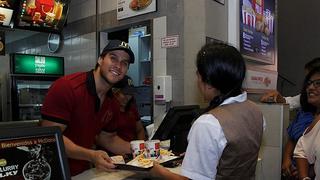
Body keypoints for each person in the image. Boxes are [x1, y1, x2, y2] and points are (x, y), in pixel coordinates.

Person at [150, 42, 264, 179]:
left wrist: (159, 173)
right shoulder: (256, 111)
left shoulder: (208, 123)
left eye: (198, 75)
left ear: (209, 83)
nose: (197, 81)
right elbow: (236, 154)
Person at [40, 40, 135, 176]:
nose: (118, 66)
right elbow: (50, 138)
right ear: (100, 60)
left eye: (124, 63)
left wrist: (142, 150)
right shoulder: (67, 87)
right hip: (53, 171)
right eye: (113, 58)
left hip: (83, 172)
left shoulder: (112, 102)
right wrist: (91, 155)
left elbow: (108, 139)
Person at [96, 75, 145, 152]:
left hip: (131, 151)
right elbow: (102, 138)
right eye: (124, 94)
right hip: (112, 153)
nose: (128, 97)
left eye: (130, 94)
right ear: (115, 91)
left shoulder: (131, 108)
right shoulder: (107, 109)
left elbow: (140, 129)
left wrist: (141, 147)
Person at [293, 67, 320, 180]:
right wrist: (304, 177)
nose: (310, 87)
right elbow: (301, 150)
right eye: (309, 84)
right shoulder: (317, 121)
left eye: (318, 83)